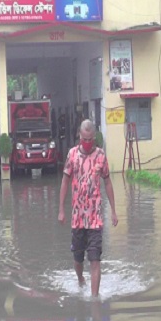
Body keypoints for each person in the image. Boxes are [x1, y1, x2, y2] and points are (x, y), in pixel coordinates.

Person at [58, 119, 118, 298]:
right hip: (77, 217)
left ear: (94, 137)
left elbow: (107, 181)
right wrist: (61, 209)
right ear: (79, 136)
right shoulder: (72, 155)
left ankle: (94, 299)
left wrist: (114, 210)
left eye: (90, 139)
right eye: (84, 139)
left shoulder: (100, 156)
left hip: (95, 218)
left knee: (95, 259)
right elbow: (65, 181)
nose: (87, 142)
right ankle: (80, 279)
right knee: (78, 259)